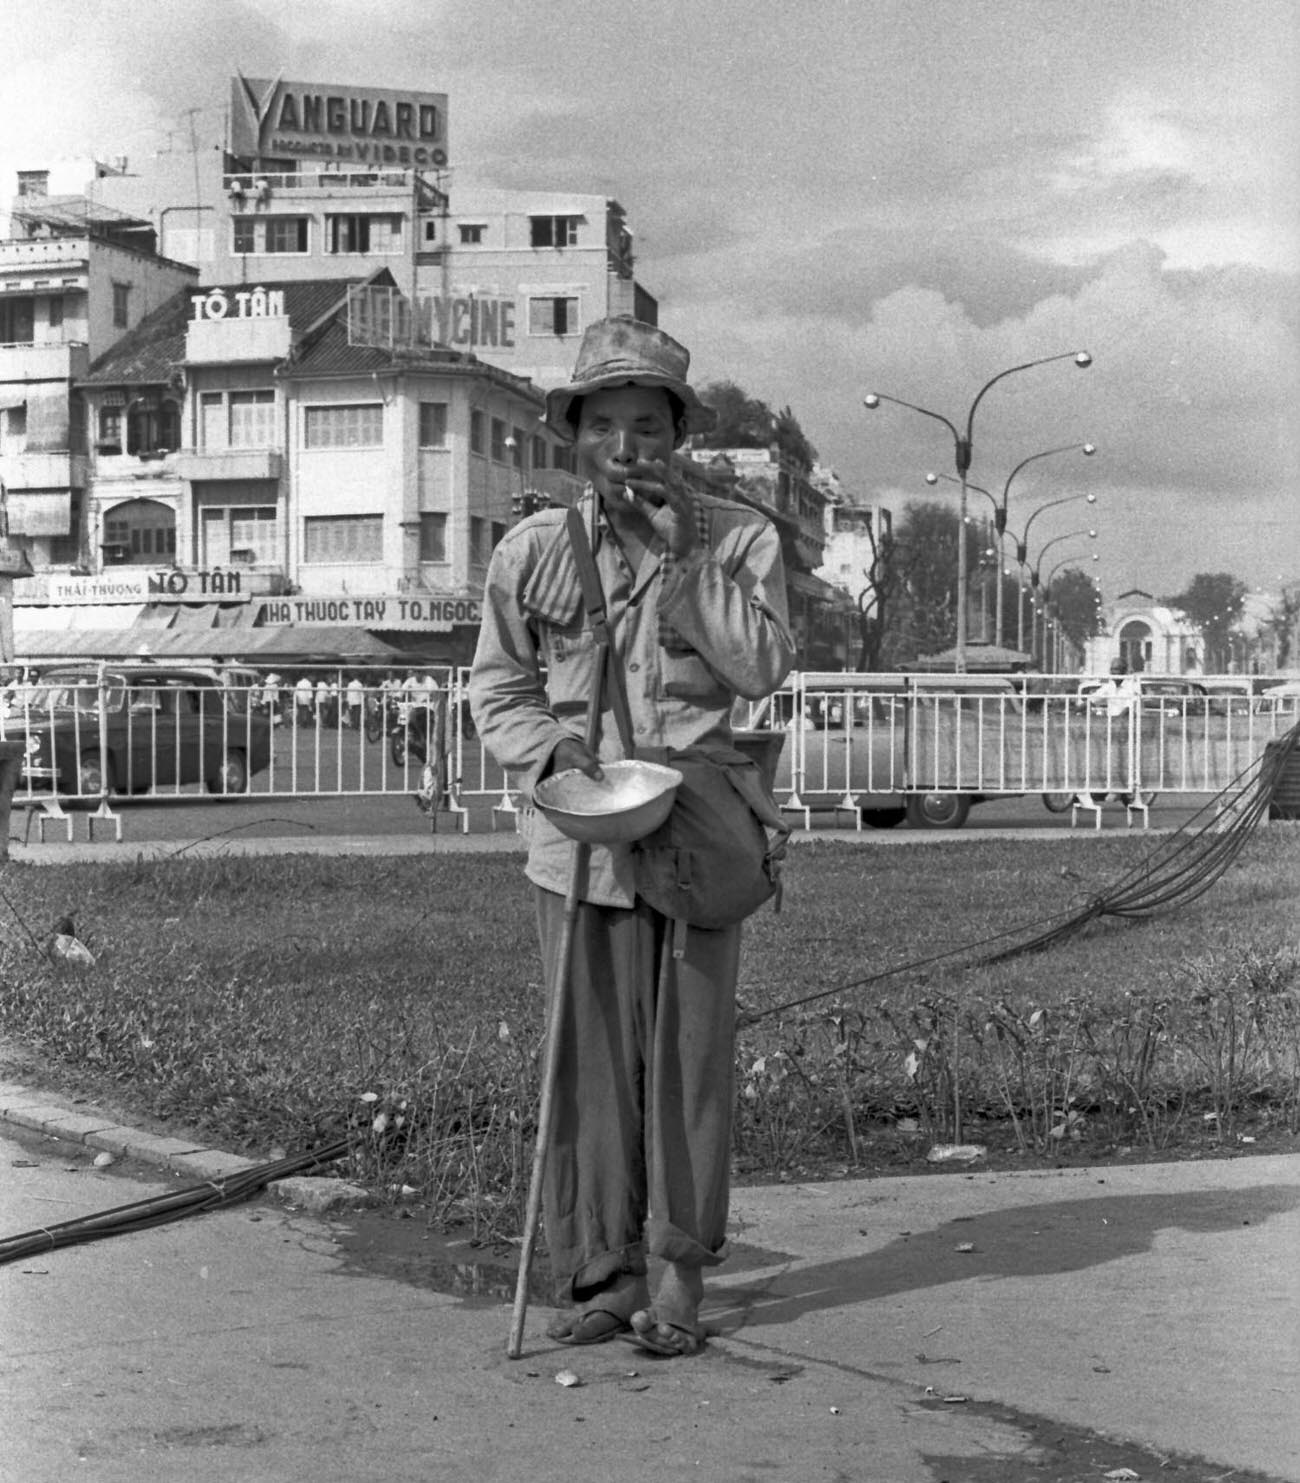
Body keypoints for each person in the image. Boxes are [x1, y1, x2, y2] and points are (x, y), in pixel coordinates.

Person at [469, 316, 795, 1357]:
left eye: (646, 424)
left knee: (689, 1061)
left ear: (677, 433)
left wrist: (683, 561)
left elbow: (759, 671)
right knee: (587, 1063)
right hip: (577, 838)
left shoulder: (740, 539)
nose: (626, 447)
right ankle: (600, 1273)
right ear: (574, 435)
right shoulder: (530, 549)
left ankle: (678, 1274)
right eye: (603, 423)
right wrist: (550, 759)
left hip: (699, 828)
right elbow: (497, 684)